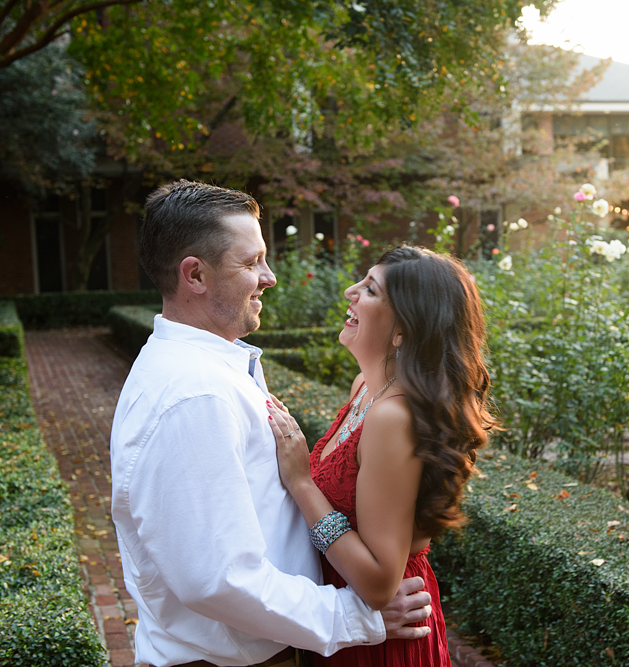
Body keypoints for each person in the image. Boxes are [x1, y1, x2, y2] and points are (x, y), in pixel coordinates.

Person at [110, 181, 432, 667]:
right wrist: (354, 617)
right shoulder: (195, 396)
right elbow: (218, 578)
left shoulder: (214, 368)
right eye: (250, 262)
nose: (270, 276)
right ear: (195, 275)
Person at [266, 246, 496, 666]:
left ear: (404, 329)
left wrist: (301, 483)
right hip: (343, 621)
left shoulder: (394, 416)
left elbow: (378, 583)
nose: (351, 292)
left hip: (382, 638)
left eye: (370, 290)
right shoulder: (364, 389)